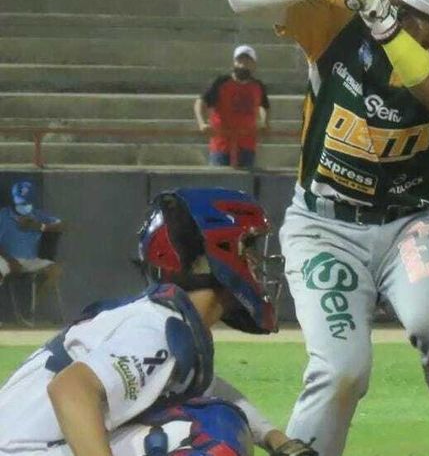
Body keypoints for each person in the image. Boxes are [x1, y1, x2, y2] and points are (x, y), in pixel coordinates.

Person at [227, 0, 429, 454]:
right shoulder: (340, 18)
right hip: (322, 226)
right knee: (341, 370)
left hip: (409, 223)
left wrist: (388, 28)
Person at [0, 188, 316, 456]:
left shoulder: (169, 322)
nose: (257, 261)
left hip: (37, 446)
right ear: (219, 251)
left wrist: (276, 440)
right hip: (26, 449)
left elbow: (211, 391)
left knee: (215, 417)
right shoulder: (156, 328)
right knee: (210, 431)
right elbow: (70, 390)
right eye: (249, 247)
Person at [194, 45, 271, 168]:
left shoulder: (258, 86)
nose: (243, 65)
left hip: (247, 144)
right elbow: (201, 101)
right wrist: (202, 123)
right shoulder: (221, 82)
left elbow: (264, 105)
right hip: (222, 144)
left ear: (254, 64)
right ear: (234, 62)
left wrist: (265, 122)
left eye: (247, 61)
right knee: (220, 178)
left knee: (246, 179)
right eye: (240, 60)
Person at [0, 181, 64, 300]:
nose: (24, 206)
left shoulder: (37, 215)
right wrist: (9, 260)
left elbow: (62, 226)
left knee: (55, 270)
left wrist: (39, 226)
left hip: (32, 259)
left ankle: (35, 307)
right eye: (22, 203)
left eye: (27, 202)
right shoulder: (3, 215)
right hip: (7, 258)